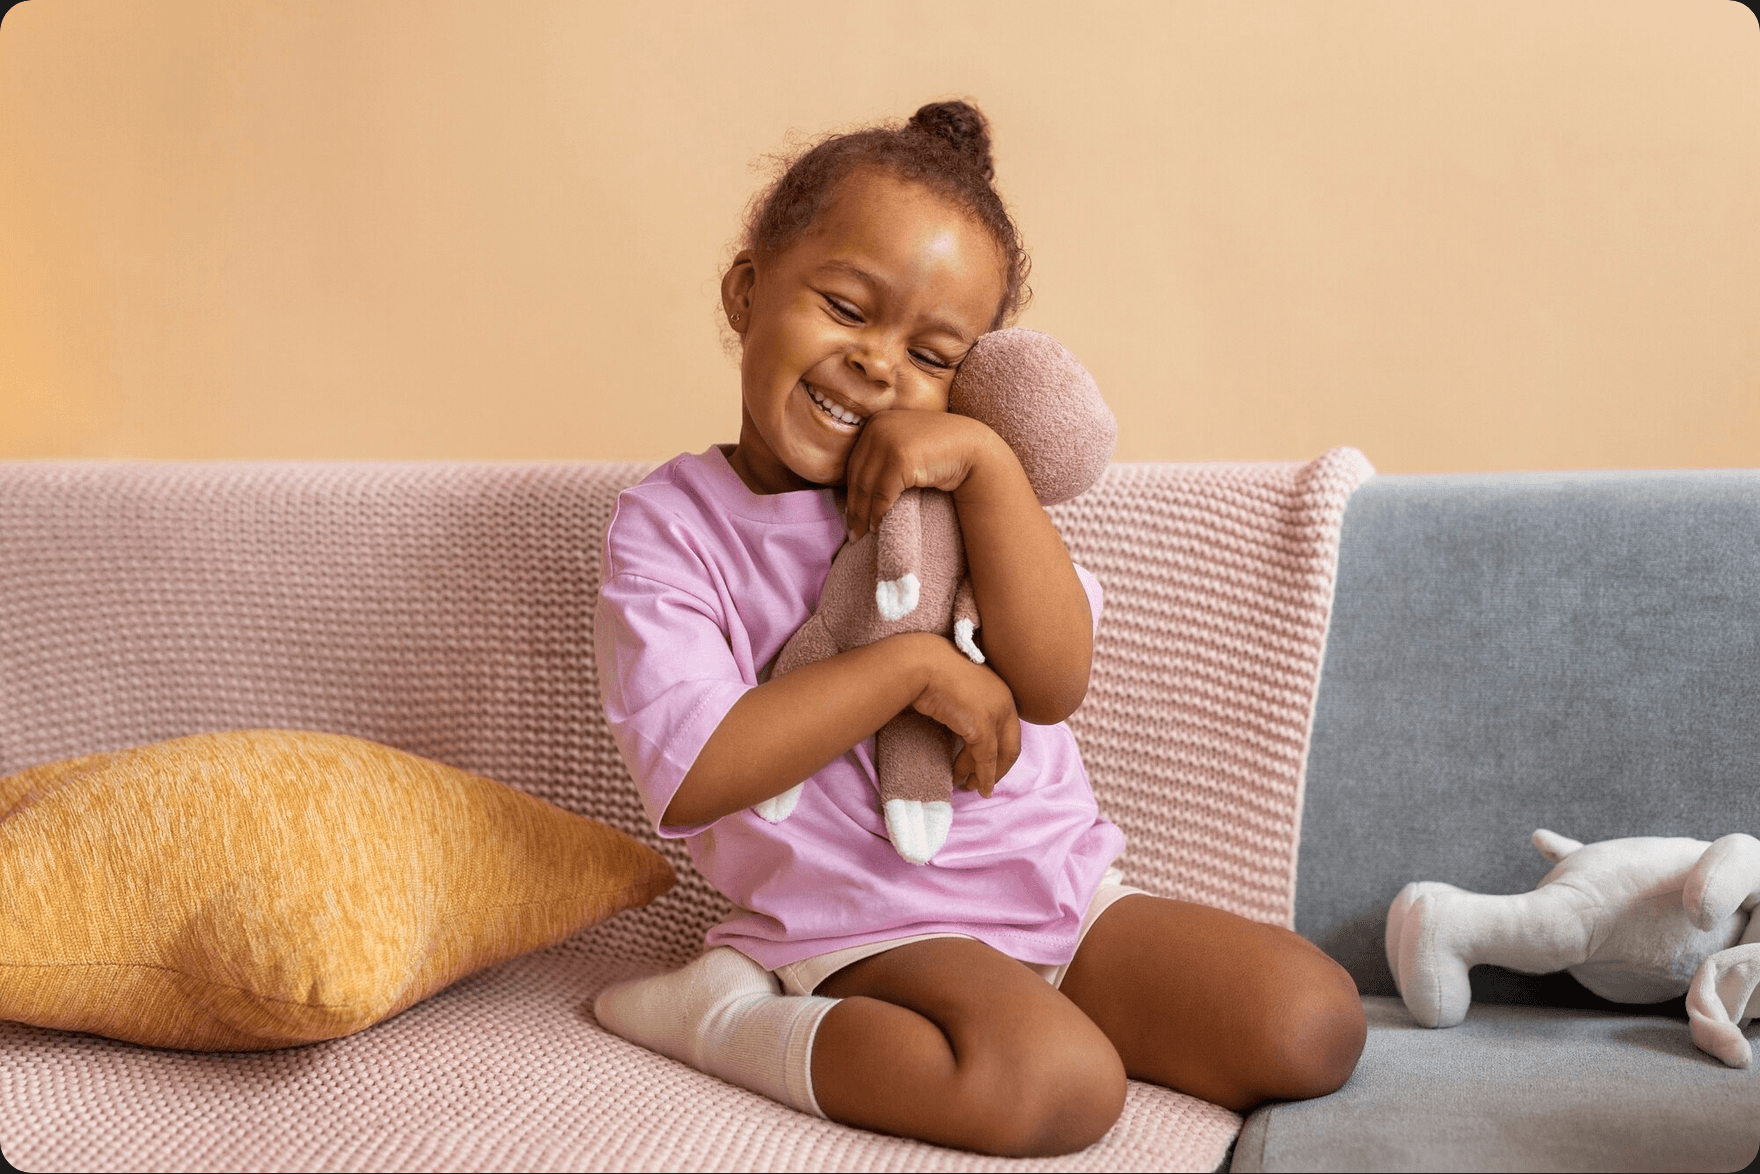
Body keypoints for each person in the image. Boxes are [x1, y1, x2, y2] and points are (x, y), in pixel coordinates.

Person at [592, 99, 1365, 1158]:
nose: (876, 364)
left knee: (1311, 1023)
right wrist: (908, 668)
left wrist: (990, 469)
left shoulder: (967, 490)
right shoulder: (673, 525)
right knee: (1055, 1088)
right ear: (747, 289)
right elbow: (692, 771)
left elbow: (1049, 684)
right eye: (844, 306)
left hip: (1059, 891)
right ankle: (723, 1016)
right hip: (865, 923)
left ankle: (1022, 1003)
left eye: (932, 351)